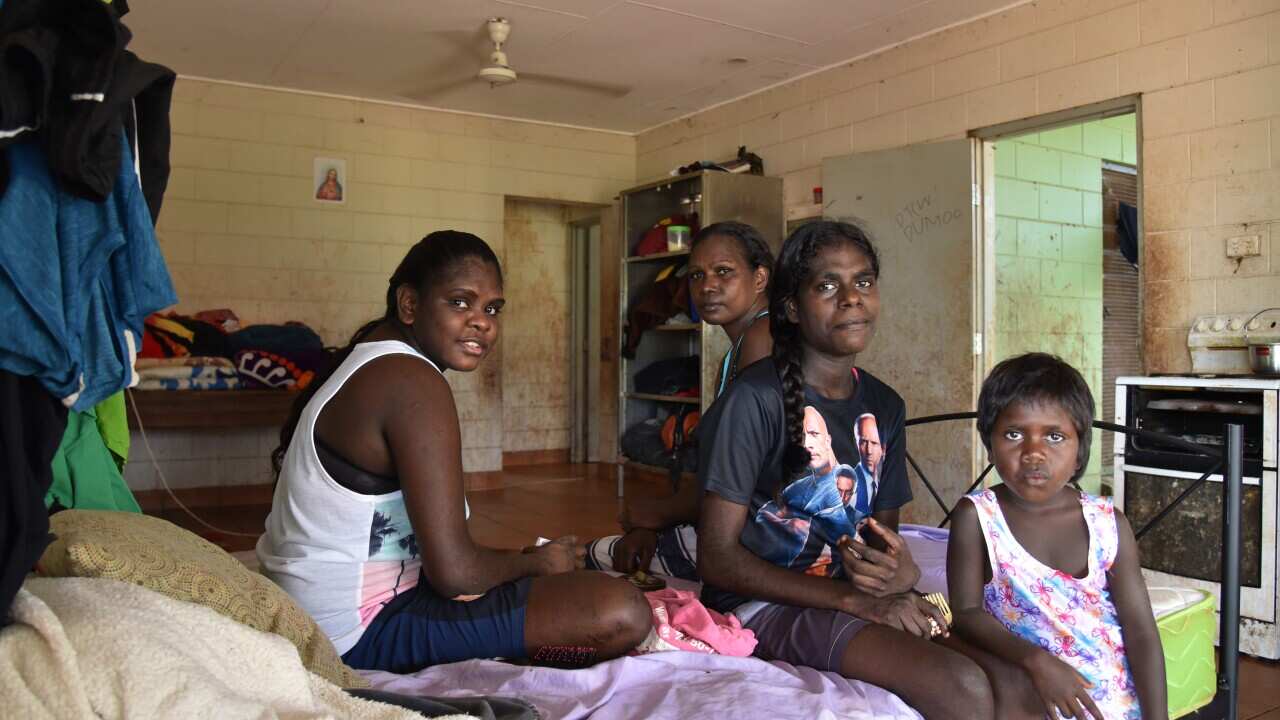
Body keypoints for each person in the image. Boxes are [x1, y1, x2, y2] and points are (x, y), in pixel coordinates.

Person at [257, 231, 650, 674]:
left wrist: (520, 563)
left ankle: (518, 640)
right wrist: (536, 562)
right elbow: (455, 574)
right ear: (409, 305)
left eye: (492, 308)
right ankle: (533, 654)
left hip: (319, 609)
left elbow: (444, 556)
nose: (482, 322)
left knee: (553, 589)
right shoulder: (411, 381)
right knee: (621, 613)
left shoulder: (377, 363)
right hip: (353, 634)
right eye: (460, 302)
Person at [695, 220, 993, 720]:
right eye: (828, 285)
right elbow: (717, 559)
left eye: (864, 282)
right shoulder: (753, 399)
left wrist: (896, 574)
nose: (852, 298)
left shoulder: (886, 406)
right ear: (791, 306)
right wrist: (855, 602)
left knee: (1006, 674)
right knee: (961, 685)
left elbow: (880, 538)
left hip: (850, 595)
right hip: (758, 604)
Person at [947, 353, 1167, 720]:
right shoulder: (977, 517)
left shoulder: (1108, 524)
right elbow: (966, 613)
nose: (1033, 453)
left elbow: (1141, 632)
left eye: (1054, 436)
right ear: (989, 443)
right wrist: (1037, 662)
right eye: (1014, 434)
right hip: (1032, 690)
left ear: (1079, 452)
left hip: (1114, 699)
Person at [587, 221, 775, 580]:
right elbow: (719, 468)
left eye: (724, 272)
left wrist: (656, 515)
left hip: (762, 537)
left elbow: (743, 476)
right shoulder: (742, 346)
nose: (707, 286)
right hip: (736, 520)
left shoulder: (761, 340)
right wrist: (656, 521)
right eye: (695, 275)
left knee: (591, 562)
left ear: (760, 278)